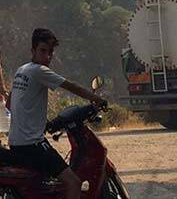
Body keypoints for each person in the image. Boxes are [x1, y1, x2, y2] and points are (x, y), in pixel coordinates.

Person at [7, 28, 106, 199]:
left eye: (50, 52)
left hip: (16, 142)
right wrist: (96, 99)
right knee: (74, 183)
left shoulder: (21, 71)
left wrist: (35, 121)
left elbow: (9, 104)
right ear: (33, 51)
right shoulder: (40, 71)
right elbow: (70, 86)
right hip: (33, 144)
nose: (47, 56)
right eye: (42, 51)